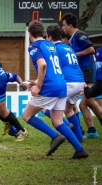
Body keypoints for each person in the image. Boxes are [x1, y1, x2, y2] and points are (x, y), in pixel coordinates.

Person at [22, 21, 88, 159]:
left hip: (49, 87)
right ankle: (80, 149)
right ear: (43, 33)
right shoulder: (52, 46)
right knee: (57, 121)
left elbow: (43, 65)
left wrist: (39, 85)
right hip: (61, 85)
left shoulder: (34, 46)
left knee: (26, 115)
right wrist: (37, 81)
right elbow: (51, 68)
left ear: (30, 34)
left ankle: (55, 136)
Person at [62, 13, 102, 139]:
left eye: (63, 25)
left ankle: (85, 131)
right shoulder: (73, 38)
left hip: (87, 73)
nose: (62, 28)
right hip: (84, 73)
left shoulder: (79, 35)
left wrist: (76, 54)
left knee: (89, 102)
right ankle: (90, 130)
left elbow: (91, 50)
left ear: (70, 25)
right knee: (84, 104)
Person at [44, 25, 85, 142]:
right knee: (68, 110)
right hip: (79, 81)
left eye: (47, 37)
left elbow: (52, 69)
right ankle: (78, 137)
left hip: (68, 82)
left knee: (44, 107)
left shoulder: (53, 48)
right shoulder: (68, 47)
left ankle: (68, 127)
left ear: (50, 37)